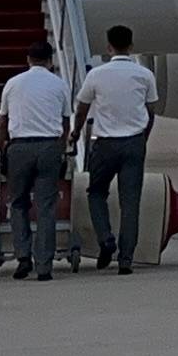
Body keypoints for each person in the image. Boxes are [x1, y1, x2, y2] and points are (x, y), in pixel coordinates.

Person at [73, 25, 158, 273]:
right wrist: (143, 137)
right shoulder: (144, 75)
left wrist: (76, 132)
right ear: (131, 47)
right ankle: (126, 259)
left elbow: (82, 108)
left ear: (108, 47)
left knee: (96, 192)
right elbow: (151, 111)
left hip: (105, 143)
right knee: (130, 202)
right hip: (134, 142)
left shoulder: (97, 75)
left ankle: (105, 238)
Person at [0, 41, 74, 279]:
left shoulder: (13, 83)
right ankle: (44, 264)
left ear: (28, 59)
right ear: (50, 60)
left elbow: (2, 119)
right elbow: (65, 121)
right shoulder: (59, 84)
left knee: (18, 203)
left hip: (19, 147)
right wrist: (61, 148)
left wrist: (0, 144)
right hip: (48, 146)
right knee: (46, 207)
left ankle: (23, 257)